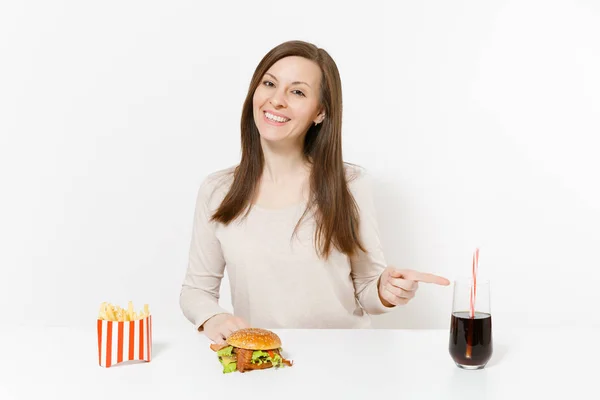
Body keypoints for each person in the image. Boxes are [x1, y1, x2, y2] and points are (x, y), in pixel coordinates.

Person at [179, 40, 449, 344]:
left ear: (319, 112)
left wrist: (385, 291)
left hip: (346, 360)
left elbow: (368, 290)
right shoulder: (218, 190)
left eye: (297, 91)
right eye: (269, 84)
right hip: (267, 363)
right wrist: (213, 318)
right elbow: (197, 290)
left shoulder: (349, 184)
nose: (277, 100)